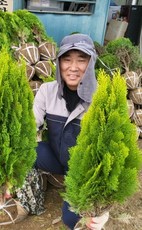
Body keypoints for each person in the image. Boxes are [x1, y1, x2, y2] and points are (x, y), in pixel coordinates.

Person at [33, 33, 109, 229]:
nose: (73, 67)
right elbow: (30, 125)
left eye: (81, 60)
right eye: (67, 60)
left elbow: (111, 159)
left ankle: (84, 198)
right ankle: (29, 202)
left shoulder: (103, 98)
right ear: (59, 63)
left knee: (72, 220)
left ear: (91, 63)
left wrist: (104, 210)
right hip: (56, 157)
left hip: (85, 173)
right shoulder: (47, 91)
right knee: (24, 152)